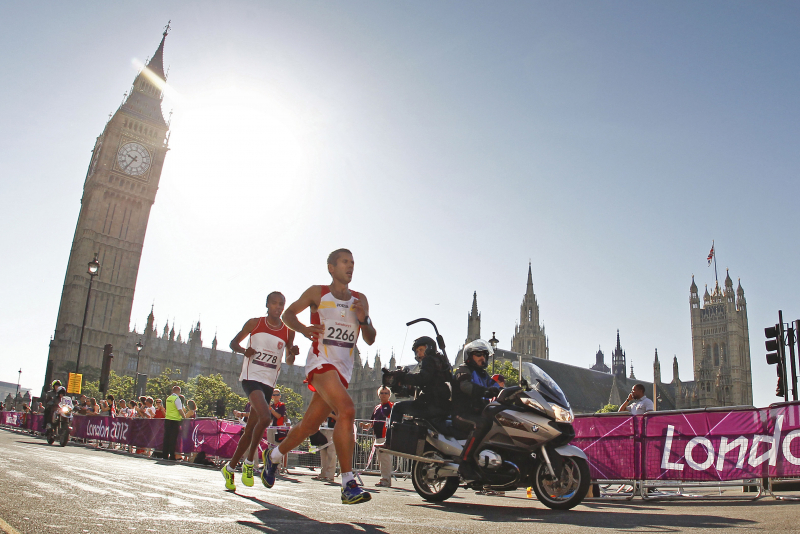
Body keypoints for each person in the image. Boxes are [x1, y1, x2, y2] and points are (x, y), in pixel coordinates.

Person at [266, 248, 377, 505]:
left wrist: (364, 319)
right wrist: (304, 329)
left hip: (343, 370)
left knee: (309, 426)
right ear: (331, 267)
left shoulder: (360, 299)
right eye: (344, 262)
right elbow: (288, 314)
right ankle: (348, 482)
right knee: (347, 409)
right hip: (321, 363)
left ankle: (272, 457)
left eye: (352, 263)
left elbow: (370, 339)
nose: (350, 266)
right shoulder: (318, 292)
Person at [221, 291, 299, 491]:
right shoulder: (254, 323)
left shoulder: (288, 331)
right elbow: (233, 343)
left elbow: (289, 360)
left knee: (250, 430)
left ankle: (229, 468)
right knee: (265, 418)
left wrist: (293, 353)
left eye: (281, 304)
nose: (278, 307)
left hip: (268, 383)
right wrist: (243, 351)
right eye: (274, 303)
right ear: (267, 304)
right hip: (250, 378)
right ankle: (249, 463)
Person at [384, 336, 452, 443]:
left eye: (421, 350)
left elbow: (422, 378)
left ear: (429, 348)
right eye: (417, 351)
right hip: (442, 406)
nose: (418, 353)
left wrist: (402, 376)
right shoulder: (441, 363)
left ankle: (389, 441)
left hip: (430, 406)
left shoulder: (428, 360)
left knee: (397, 407)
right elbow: (431, 385)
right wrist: (410, 388)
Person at [452, 339, 502, 480]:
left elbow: (497, 388)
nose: (482, 358)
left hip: (478, 413)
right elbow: (465, 386)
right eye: (478, 354)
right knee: (481, 425)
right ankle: (465, 462)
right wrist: (485, 391)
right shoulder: (463, 370)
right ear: (470, 356)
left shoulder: (484, 375)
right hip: (462, 414)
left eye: (484, 355)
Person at [360, 386, 394, 487]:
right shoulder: (376, 408)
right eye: (382, 393)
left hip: (386, 436)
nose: (384, 395)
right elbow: (372, 423)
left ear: (389, 395)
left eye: (386, 393)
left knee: (385, 459)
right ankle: (384, 479)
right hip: (378, 437)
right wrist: (365, 426)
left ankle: (386, 480)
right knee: (381, 460)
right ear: (378, 395)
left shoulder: (392, 406)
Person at [162, 385, 187, 461]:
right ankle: (172, 455)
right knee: (173, 439)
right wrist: (184, 417)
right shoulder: (177, 399)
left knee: (166, 438)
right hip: (175, 420)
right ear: (178, 391)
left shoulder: (168, 398)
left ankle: (165, 454)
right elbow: (180, 409)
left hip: (167, 419)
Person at [268, 390, 289, 473]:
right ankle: (270, 465)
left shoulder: (281, 405)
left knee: (277, 448)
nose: (276, 396)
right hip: (271, 428)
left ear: (280, 396)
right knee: (270, 448)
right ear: (272, 396)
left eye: (278, 394)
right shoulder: (271, 405)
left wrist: (270, 409)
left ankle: (278, 467)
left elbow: (278, 415)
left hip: (279, 429)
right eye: (274, 394)